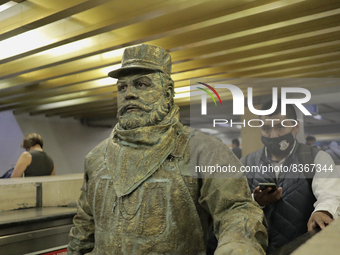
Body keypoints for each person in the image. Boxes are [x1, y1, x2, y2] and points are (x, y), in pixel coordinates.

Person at [67, 44, 267, 255]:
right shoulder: (97, 158)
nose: (129, 94)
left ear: (168, 93)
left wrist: (237, 246)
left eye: (141, 85)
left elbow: (236, 211)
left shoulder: (204, 151)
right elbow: (83, 227)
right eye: (122, 88)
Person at [241, 100, 340, 253]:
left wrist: (322, 211)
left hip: (301, 248)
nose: (273, 135)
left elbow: (330, 196)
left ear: (296, 127)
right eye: (266, 128)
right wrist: (256, 202)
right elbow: (235, 206)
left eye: (280, 127)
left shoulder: (316, 158)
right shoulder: (246, 163)